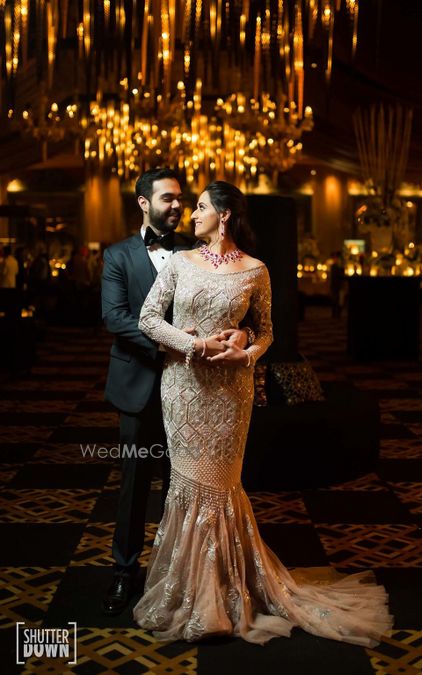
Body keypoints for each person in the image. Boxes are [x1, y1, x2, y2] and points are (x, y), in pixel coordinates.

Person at [133, 181, 393, 646]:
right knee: (187, 483)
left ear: (226, 215)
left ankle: (226, 590)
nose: (191, 215)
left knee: (222, 484)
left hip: (231, 392)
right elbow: (148, 319)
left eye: (200, 207)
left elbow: (267, 332)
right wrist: (194, 343)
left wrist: (246, 351)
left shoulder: (256, 270)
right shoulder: (178, 262)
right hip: (184, 390)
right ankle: (189, 593)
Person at [101, 169, 247, 616]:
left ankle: (176, 574)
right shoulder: (118, 255)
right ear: (144, 203)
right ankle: (125, 573)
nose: (178, 206)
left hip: (195, 391)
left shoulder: (198, 250)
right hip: (140, 387)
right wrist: (170, 339)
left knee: (181, 485)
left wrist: (241, 336)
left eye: (183, 199)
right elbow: (116, 317)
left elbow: (231, 301)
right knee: (134, 486)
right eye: (168, 198)